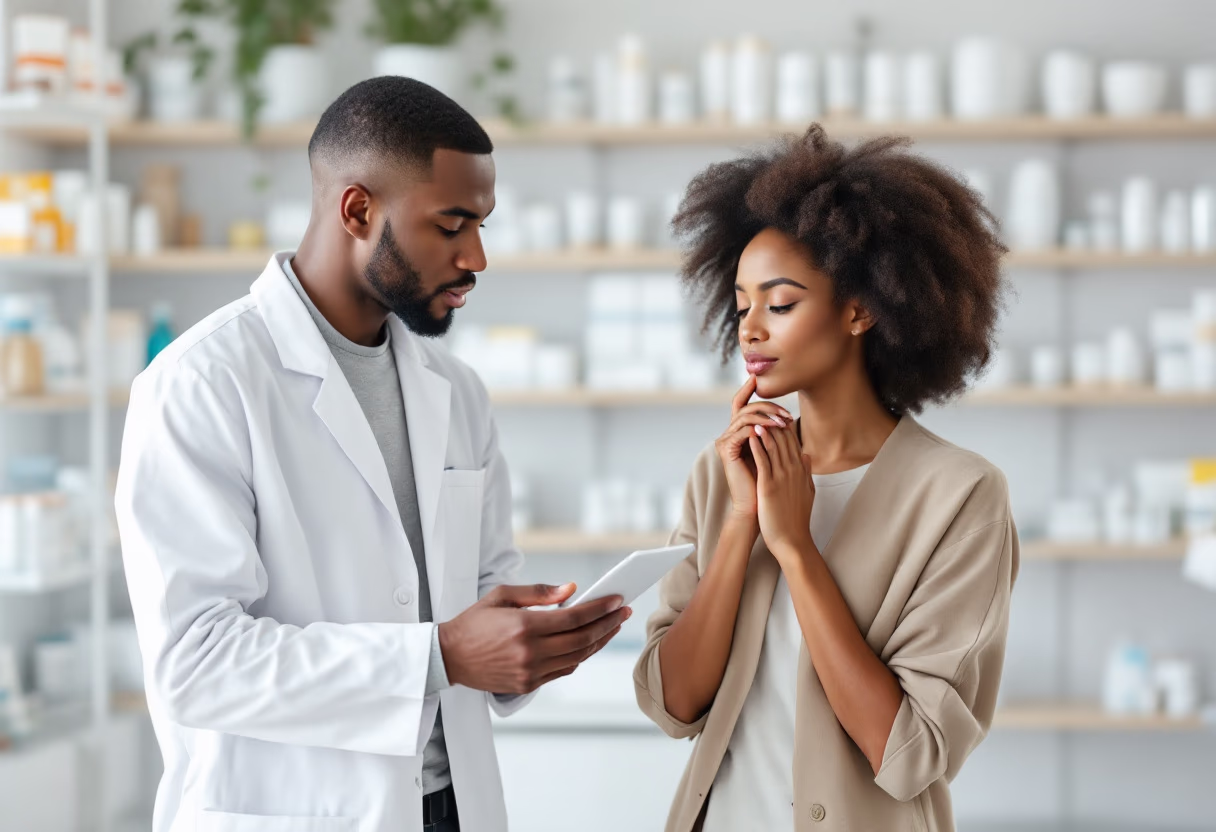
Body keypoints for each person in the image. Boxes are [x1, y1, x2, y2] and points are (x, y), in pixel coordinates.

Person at [116, 77, 630, 832]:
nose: (477, 256)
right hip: (298, 810)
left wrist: (532, 642)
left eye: (482, 225)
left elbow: (484, 584)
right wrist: (442, 656)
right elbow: (195, 662)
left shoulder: (456, 390)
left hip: (451, 806)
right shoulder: (201, 384)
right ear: (358, 210)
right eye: (452, 224)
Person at [633, 125, 1018, 832]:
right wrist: (744, 521)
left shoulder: (960, 496)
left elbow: (908, 753)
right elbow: (673, 704)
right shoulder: (722, 472)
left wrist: (795, 547)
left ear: (861, 308)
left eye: (779, 305)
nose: (750, 329)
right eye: (742, 304)